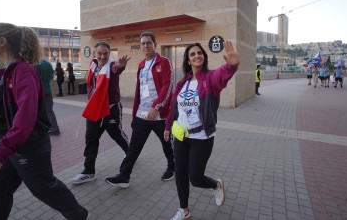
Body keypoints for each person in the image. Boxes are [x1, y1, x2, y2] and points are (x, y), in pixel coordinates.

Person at [0, 23, 88, 219]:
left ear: (2, 41)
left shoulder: (23, 71)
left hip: (26, 146)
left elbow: (25, 118)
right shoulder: (9, 71)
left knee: (43, 188)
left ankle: (79, 215)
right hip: (8, 144)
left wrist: (2, 150)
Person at [165, 41, 240, 220]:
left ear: (203, 57)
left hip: (202, 136)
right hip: (181, 135)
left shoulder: (210, 79)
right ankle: (184, 210)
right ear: (188, 60)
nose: (196, 55)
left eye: (199, 53)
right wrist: (168, 126)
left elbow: (223, 74)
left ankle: (215, 185)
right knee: (180, 174)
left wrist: (232, 65)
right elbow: (174, 108)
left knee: (196, 178)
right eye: (192, 54)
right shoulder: (182, 83)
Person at [105, 31, 175, 188]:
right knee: (134, 146)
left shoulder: (164, 62)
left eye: (148, 42)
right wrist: (136, 113)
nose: (145, 46)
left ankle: (172, 166)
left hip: (159, 115)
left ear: (155, 45)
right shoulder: (141, 65)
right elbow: (139, 91)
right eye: (143, 43)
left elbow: (167, 85)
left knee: (167, 144)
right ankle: (124, 175)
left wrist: (155, 106)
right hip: (142, 114)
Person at [71, 41, 130, 184]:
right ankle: (89, 171)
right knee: (91, 138)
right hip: (95, 108)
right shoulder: (93, 65)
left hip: (110, 109)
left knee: (116, 134)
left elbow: (116, 69)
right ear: (95, 54)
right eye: (100, 53)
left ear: (109, 54)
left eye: (105, 54)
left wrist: (121, 66)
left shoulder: (112, 66)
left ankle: (130, 153)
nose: (102, 56)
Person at [35, 59, 61, 136]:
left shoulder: (35, 65)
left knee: (37, 112)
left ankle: (50, 129)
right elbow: (52, 77)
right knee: (49, 111)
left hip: (38, 92)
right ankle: (54, 128)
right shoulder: (48, 64)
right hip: (47, 91)